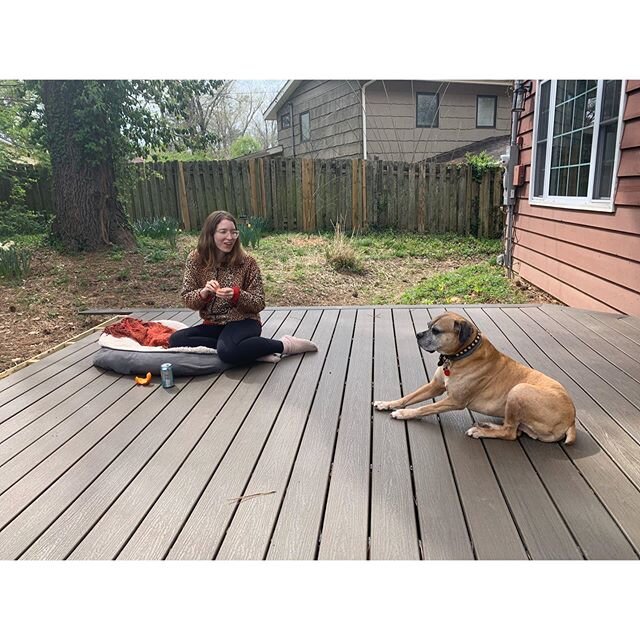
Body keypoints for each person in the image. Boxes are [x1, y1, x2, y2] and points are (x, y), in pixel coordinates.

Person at [169, 210, 317, 365]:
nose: (230, 237)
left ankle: (286, 345)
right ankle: (252, 350)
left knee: (228, 352)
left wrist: (236, 295)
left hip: (245, 322)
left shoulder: (247, 262)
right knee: (176, 339)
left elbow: (259, 303)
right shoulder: (195, 259)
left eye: (234, 232)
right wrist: (204, 293)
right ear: (210, 234)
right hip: (214, 324)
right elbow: (187, 298)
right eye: (223, 232)